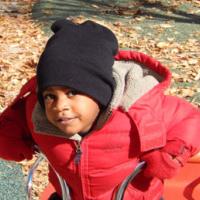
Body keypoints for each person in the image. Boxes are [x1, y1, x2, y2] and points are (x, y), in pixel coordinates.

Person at [0, 19, 200, 200]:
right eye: (50, 96)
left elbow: (190, 119)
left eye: (72, 92)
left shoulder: (138, 109)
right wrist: (8, 139)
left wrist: (174, 151)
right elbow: (10, 128)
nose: (60, 106)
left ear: (100, 92)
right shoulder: (37, 113)